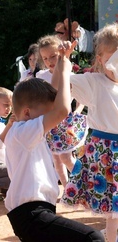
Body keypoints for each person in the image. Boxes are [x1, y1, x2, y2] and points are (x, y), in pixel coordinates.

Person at [3, 40, 104, 241]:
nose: (51, 118)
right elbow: (61, 109)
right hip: (32, 215)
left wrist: (63, 60)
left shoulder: (27, 128)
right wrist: (66, 72)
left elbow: (53, 94)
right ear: (26, 112)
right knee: (93, 238)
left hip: (36, 213)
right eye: (45, 113)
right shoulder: (23, 131)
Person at [61, 23, 118, 242]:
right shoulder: (94, 82)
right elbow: (62, 84)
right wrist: (64, 62)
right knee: (112, 211)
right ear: (100, 58)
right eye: (112, 57)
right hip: (105, 150)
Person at [37, 35, 87, 187]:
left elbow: (82, 99)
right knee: (56, 161)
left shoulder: (69, 75)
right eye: (45, 58)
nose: (49, 61)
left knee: (66, 157)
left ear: (61, 54)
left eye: (53, 56)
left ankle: (82, 184)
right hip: (49, 122)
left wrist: (77, 111)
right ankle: (67, 189)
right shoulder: (40, 76)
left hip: (65, 122)